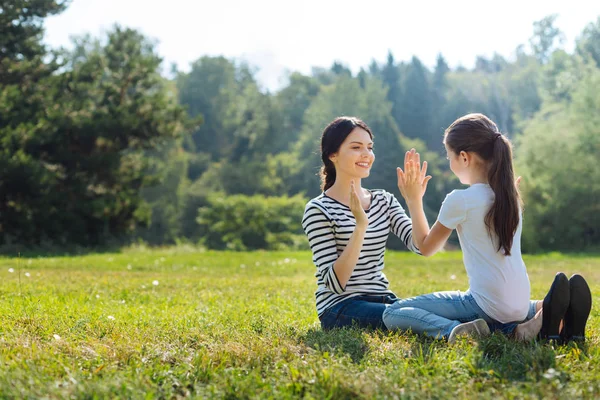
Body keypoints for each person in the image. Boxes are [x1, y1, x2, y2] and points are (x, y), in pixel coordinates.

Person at [382, 113, 592, 343]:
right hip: (520, 305)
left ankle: (457, 330)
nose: (448, 162)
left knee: (393, 312)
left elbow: (425, 247)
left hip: (486, 305)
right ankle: (550, 313)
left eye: (448, 155)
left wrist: (413, 200)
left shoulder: (460, 200)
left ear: (464, 157)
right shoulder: (510, 196)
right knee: (511, 305)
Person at [301, 116, 421, 330]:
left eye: (370, 147)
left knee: (429, 309)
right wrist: (360, 226)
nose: (366, 154)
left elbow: (419, 246)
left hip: (383, 298)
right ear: (332, 155)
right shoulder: (318, 210)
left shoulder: (383, 200)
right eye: (356, 147)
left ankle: (491, 325)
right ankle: (454, 331)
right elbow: (336, 284)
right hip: (340, 307)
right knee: (413, 318)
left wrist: (414, 201)